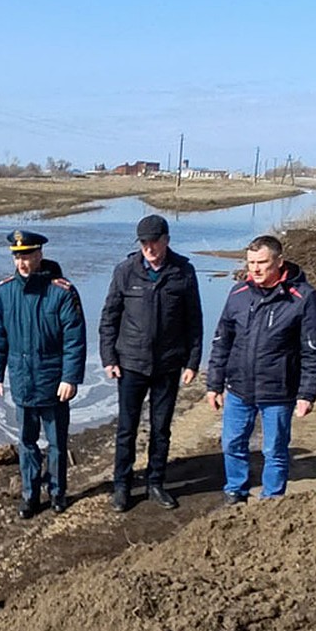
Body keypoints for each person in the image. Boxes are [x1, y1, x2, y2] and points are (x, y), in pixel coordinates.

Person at [205, 234, 316, 503]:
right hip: (239, 388)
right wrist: (214, 383)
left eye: (262, 262)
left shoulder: (303, 298)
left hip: (279, 391)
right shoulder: (238, 292)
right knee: (232, 444)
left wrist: (307, 393)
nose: (256, 269)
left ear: (279, 261)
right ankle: (236, 493)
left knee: (274, 450)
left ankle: (271, 502)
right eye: (250, 263)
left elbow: (314, 350)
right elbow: (221, 340)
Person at [98, 214, 202, 511]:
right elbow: (109, 318)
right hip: (131, 363)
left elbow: (194, 321)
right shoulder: (125, 272)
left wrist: (193, 362)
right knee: (126, 429)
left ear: (166, 240)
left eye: (154, 241)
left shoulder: (183, 272)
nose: (149, 248)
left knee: (161, 428)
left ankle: (156, 482)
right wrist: (109, 357)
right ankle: (122, 485)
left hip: (168, 365)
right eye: (144, 242)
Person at [0, 229, 87, 519]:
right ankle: (30, 495)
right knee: (26, 442)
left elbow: (74, 339)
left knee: (56, 443)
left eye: (27, 255)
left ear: (39, 254)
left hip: (54, 382)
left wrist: (70, 378)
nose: (22, 262)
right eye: (17, 256)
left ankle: (57, 493)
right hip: (22, 379)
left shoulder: (62, 292)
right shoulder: (5, 291)